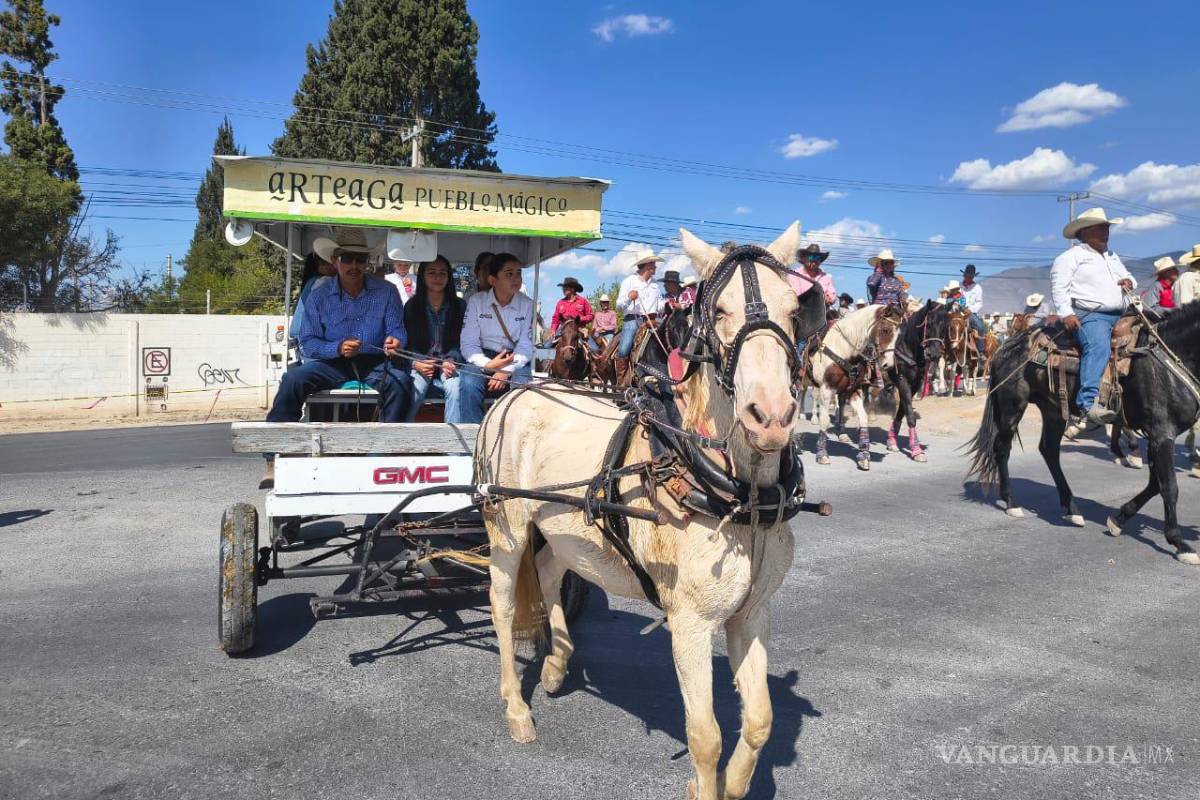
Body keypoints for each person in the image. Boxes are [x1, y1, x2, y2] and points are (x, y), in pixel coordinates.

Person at [261, 229, 410, 488]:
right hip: (332, 364)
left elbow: (397, 330)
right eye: (347, 259)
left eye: (360, 260)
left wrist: (395, 341)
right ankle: (276, 456)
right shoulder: (318, 295)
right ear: (335, 261)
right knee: (293, 380)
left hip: (374, 363)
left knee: (401, 384)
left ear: (367, 263)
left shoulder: (387, 292)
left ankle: (383, 454)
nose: (354, 265)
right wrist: (337, 348)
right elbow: (308, 342)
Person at [1051, 207, 1136, 434]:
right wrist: (1066, 313)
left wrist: (1129, 281)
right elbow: (1059, 288)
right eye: (1100, 228)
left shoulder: (1112, 256)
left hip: (1124, 312)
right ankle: (1088, 404)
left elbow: (1130, 277)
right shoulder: (1070, 257)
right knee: (1098, 347)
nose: (1105, 232)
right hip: (1091, 315)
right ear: (1084, 232)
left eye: (1107, 228)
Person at [458, 252, 534, 423]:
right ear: (493, 280)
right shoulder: (477, 302)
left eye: (518, 273)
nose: (516, 278)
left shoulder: (527, 304)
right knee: (468, 383)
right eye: (509, 274)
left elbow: (525, 345)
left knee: (523, 389)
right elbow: (468, 344)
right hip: (482, 357)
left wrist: (504, 370)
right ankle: (472, 441)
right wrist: (488, 365)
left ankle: (516, 441)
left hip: (514, 358)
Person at [402, 255, 466, 422]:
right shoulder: (412, 306)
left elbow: (463, 341)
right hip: (422, 364)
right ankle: (398, 443)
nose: (438, 277)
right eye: (432, 273)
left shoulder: (460, 306)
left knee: (456, 390)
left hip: (450, 365)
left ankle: (454, 448)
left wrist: (452, 359)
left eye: (442, 273)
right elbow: (407, 343)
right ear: (422, 276)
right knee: (413, 391)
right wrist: (417, 362)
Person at [615, 250, 663, 384]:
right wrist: (629, 298)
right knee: (624, 349)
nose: (655, 266)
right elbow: (619, 306)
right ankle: (621, 383)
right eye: (653, 263)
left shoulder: (655, 285)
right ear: (647, 265)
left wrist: (668, 305)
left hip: (651, 321)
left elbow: (659, 306)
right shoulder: (629, 281)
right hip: (632, 320)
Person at [289, 252, 335, 346]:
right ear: (324, 265)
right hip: (310, 338)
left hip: (303, 335)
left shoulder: (313, 280)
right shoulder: (323, 281)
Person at [961, 264, 989, 340]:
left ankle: (981, 350)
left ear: (973, 277)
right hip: (959, 312)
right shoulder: (959, 287)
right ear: (964, 275)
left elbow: (979, 303)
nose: (969, 278)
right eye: (967, 276)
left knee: (980, 328)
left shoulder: (977, 288)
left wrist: (970, 310)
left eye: (971, 276)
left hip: (971, 314)